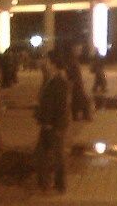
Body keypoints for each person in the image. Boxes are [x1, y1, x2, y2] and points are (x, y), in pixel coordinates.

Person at [35, 51, 70, 193]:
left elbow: (60, 106)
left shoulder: (59, 81)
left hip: (54, 125)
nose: (44, 63)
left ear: (53, 64)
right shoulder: (50, 79)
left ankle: (57, 184)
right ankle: (48, 183)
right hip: (48, 124)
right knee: (43, 154)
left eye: (47, 60)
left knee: (55, 155)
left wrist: (53, 124)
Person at [65, 43, 92, 121]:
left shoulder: (73, 60)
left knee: (77, 99)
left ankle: (77, 115)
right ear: (73, 50)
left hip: (76, 83)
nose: (80, 51)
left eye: (80, 49)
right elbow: (71, 73)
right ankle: (85, 115)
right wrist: (73, 82)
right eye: (78, 49)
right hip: (76, 84)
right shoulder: (72, 60)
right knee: (82, 99)